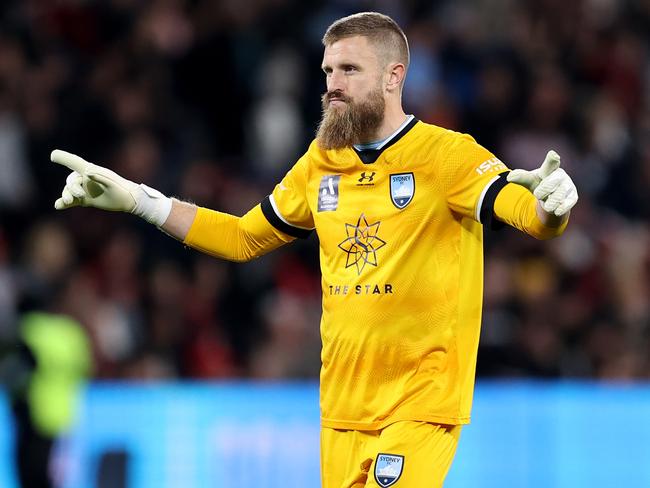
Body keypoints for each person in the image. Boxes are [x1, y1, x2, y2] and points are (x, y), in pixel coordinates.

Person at [50, 12, 577, 488]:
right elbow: (241, 237)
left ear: (395, 77)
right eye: (328, 71)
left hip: (418, 405)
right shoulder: (320, 162)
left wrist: (552, 208)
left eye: (349, 70)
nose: (333, 86)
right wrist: (139, 200)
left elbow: (523, 209)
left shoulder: (446, 155)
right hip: (341, 409)